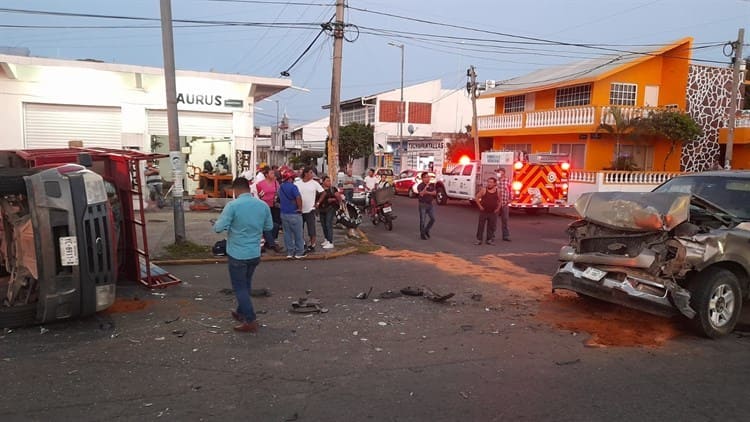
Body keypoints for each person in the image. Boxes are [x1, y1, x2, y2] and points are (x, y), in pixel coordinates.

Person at [212, 177, 273, 333]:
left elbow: (218, 228)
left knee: (239, 288)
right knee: (245, 284)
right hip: (254, 253)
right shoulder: (262, 205)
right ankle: (241, 312)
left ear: (236, 190)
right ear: (249, 188)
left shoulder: (232, 206)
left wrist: (221, 224)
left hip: (237, 254)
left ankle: (250, 320)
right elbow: (269, 226)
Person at [295, 166, 324, 253]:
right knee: (300, 228)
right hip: (300, 210)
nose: (312, 175)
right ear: (306, 173)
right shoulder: (297, 183)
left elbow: (323, 193)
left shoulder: (314, 183)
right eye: (311, 173)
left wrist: (318, 203)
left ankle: (312, 244)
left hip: (310, 209)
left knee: (311, 228)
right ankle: (302, 243)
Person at [278, 169, 306, 259]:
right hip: (294, 213)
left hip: (283, 213)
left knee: (287, 233)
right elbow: (298, 197)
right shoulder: (293, 187)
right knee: (298, 234)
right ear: (290, 178)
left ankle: (290, 252)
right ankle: (299, 252)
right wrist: (300, 208)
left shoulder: (281, 187)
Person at [255, 168, 283, 253]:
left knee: (275, 224)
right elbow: (258, 195)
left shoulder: (276, 183)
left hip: (274, 206)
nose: (273, 175)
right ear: (266, 175)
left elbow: (279, 193)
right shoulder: (260, 184)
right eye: (271, 173)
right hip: (264, 206)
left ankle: (272, 240)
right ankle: (267, 242)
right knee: (265, 225)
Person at [315, 175, 342, 249]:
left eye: (329, 181)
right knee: (323, 225)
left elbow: (339, 197)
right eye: (327, 181)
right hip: (322, 209)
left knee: (328, 224)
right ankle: (326, 239)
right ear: (323, 182)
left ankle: (330, 241)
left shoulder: (333, 189)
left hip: (330, 208)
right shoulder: (319, 189)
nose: (329, 182)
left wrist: (335, 201)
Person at [475, 177, 501, 245]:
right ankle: (479, 240)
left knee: (491, 226)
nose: (489, 184)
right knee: (481, 226)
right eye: (488, 182)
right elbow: (476, 197)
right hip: (484, 211)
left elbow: (500, 201)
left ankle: (489, 240)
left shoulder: (497, 191)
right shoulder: (484, 190)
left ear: (495, 183)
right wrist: (480, 206)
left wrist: (498, 209)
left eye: (491, 182)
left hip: (493, 212)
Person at [416, 171, 437, 240]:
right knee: (423, 220)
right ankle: (422, 234)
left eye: (429, 177)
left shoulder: (432, 185)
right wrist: (426, 187)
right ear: (423, 178)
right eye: (426, 177)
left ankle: (426, 230)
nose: (428, 178)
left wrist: (427, 192)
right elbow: (421, 194)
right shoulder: (420, 185)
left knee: (433, 219)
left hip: (430, 204)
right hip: (422, 204)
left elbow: (434, 193)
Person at [496, 168, 512, 241]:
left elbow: (511, 190)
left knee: (505, 220)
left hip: (505, 203)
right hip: (497, 203)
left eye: (499, 172)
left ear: (503, 173)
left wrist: (510, 199)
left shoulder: (507, 180)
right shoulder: (496, 181)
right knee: (493, 220)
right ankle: (491, 236)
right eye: (498, 172)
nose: (498, 174)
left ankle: (505, 236)